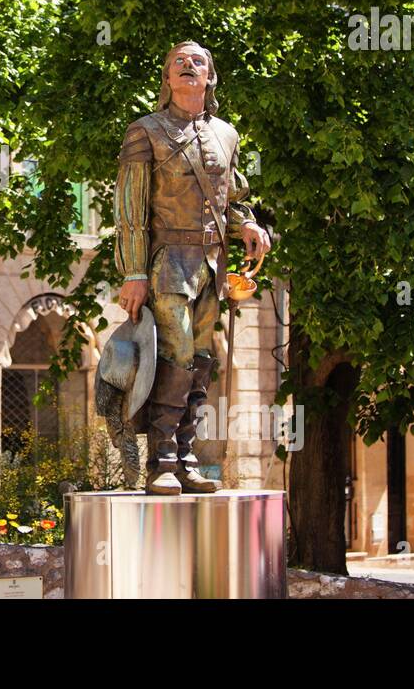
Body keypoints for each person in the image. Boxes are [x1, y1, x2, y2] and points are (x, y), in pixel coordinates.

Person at [113, 41, 272, 494]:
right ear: (167, 79)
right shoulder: (145, 131)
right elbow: (130, 208)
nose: (188, 66)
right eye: (178, 62)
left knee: (201, 360)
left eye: (197, 61)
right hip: (167, 263)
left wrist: (249, 226)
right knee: (177, 352)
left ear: (210, 77)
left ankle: (185, 458)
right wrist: (133, 273)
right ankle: (161, 461)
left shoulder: (227, 135)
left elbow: (229, 200)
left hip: (212, 264)